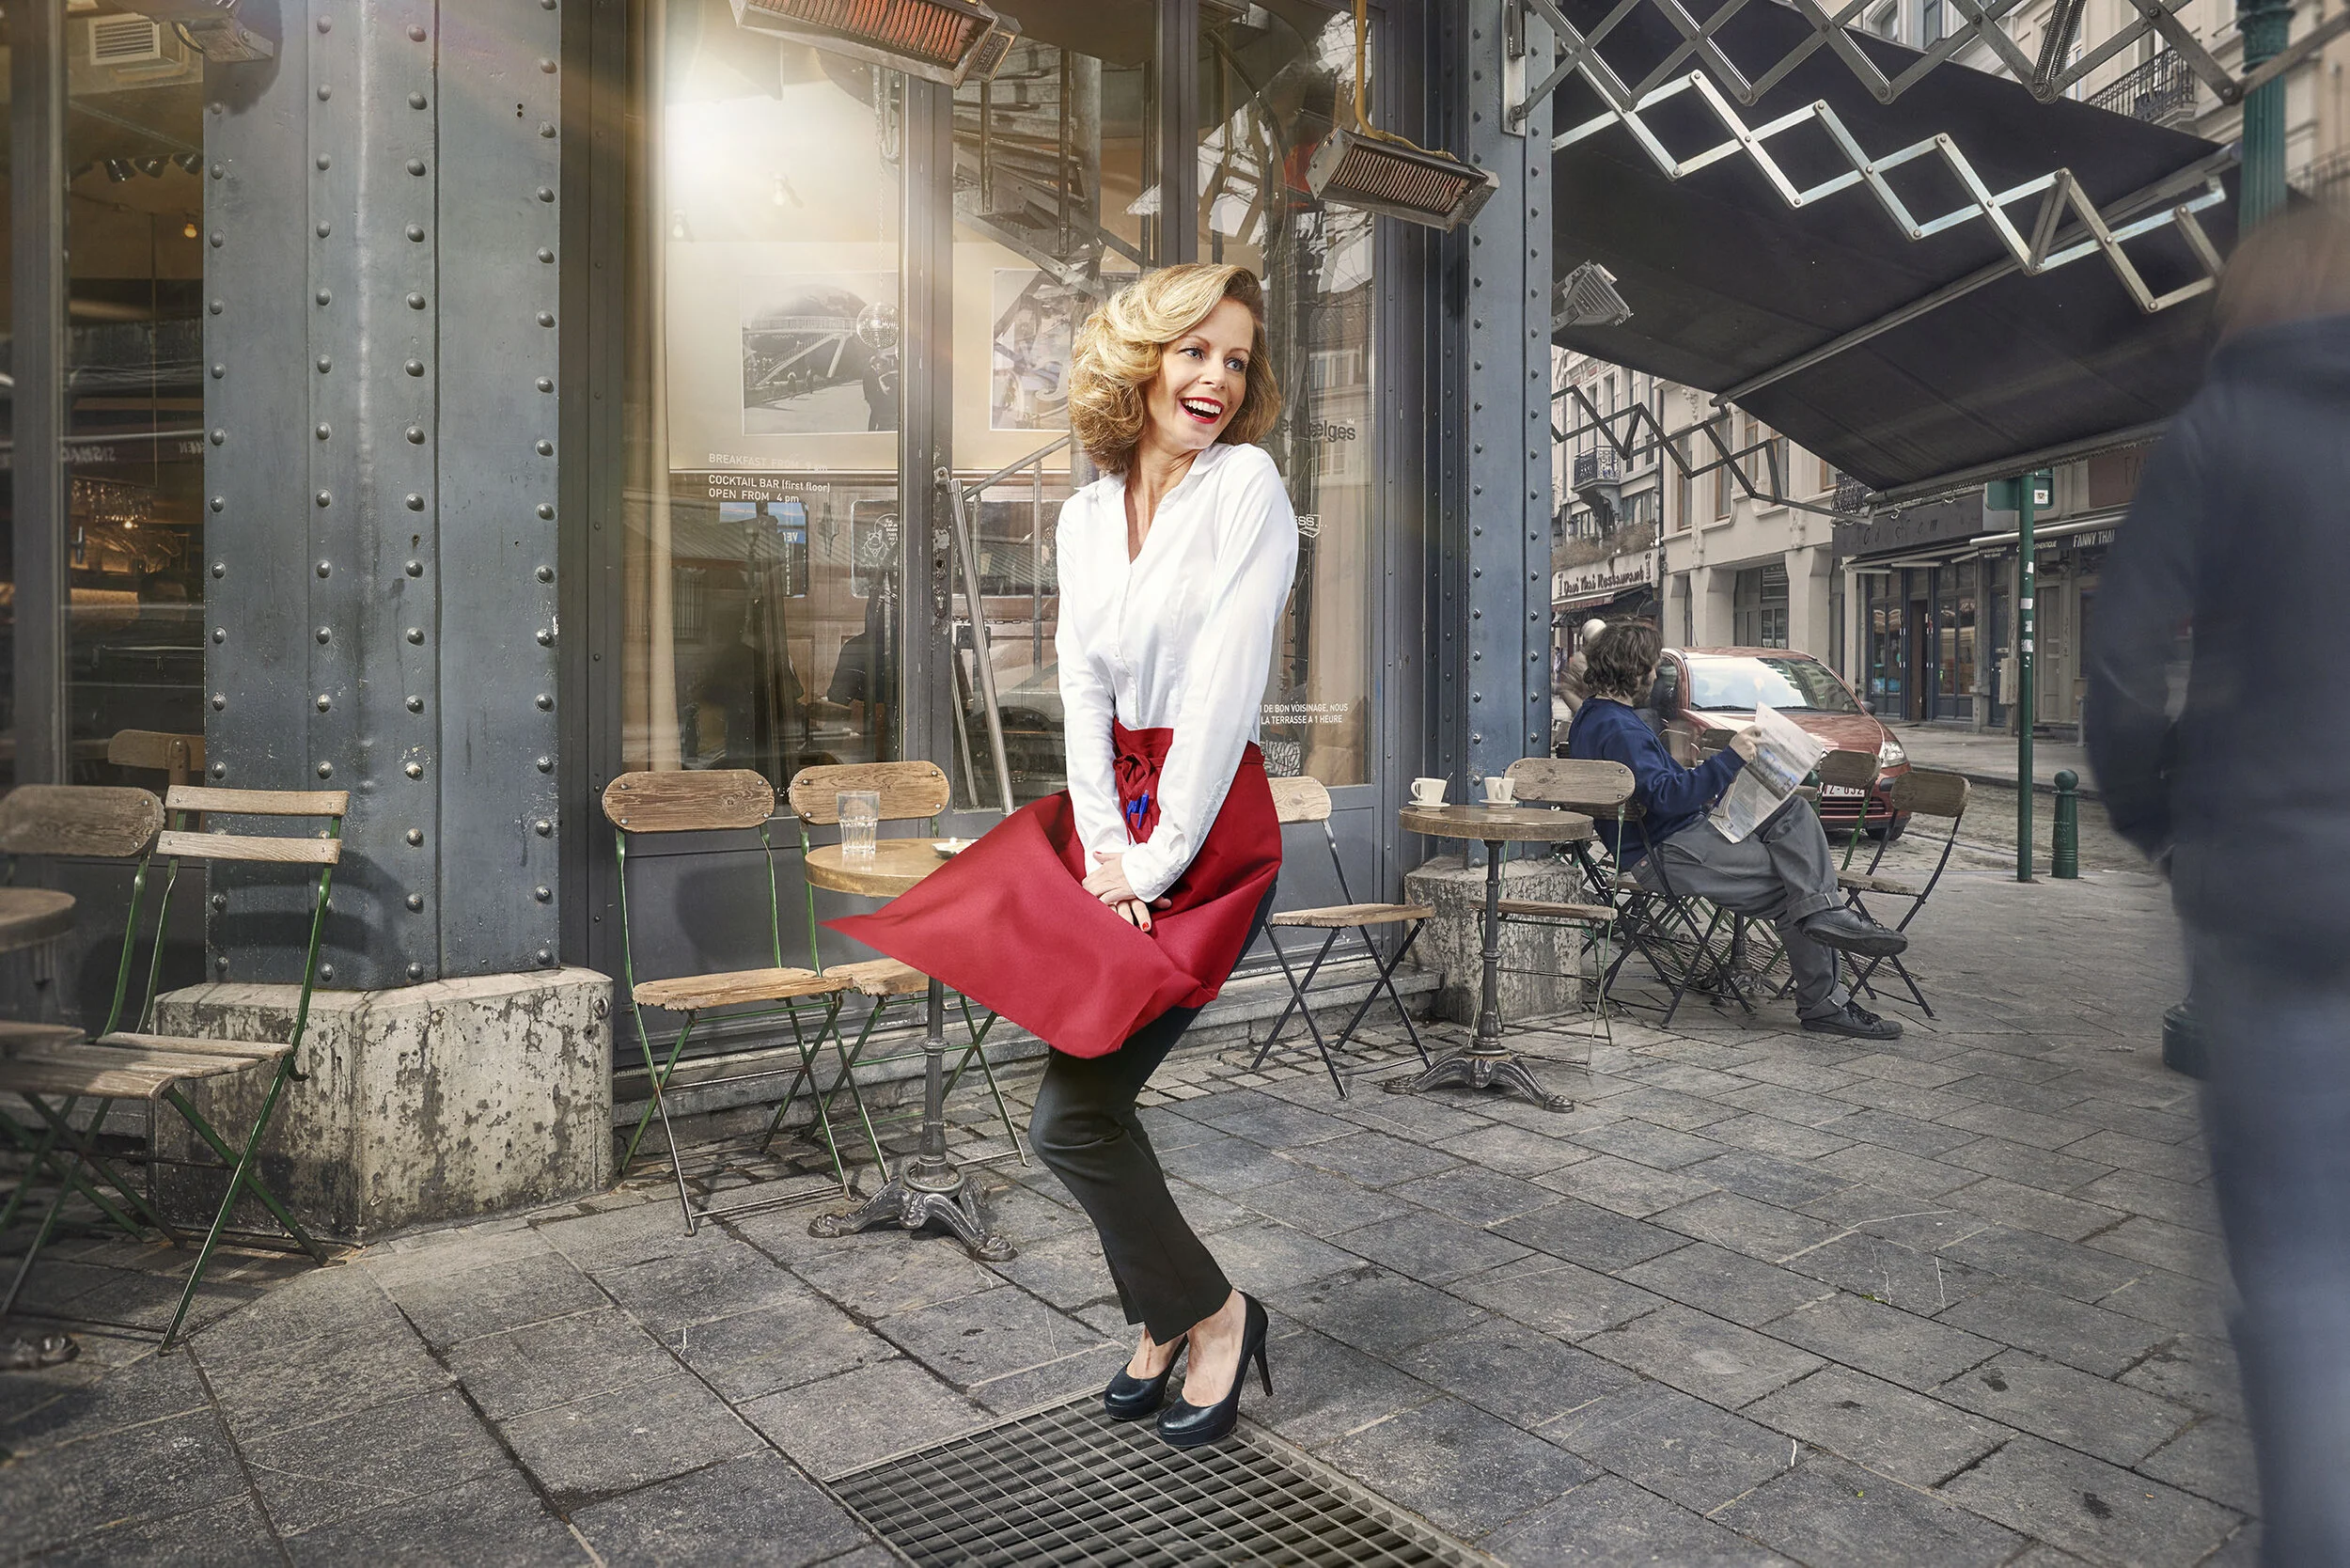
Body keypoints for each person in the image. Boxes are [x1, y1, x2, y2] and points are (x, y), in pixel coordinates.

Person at [829, 263, 1294, 1449]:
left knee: (1069, 1120)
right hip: (1117, 821)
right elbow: (1079, 688)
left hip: (1208, 827)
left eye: (1235, 361)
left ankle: (1216, 1313)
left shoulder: (1246, 485)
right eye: (1194, 352)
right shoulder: (1087, 512)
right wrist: (1097, 852)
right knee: (1084, 1106)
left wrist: (1147, 869)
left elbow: (1221, 693)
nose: (1215, 381)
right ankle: (1163, 1318)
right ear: (1139, 359)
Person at [2085, 203, 2350, 1566]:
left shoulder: (2226, 426)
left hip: (2277, 891)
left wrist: (2164, 819)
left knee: (2304, 1270)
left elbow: (2125, 658)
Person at [1569, 620, 1907, 1039]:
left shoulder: (1594, 716)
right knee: (1794, 891)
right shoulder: (1620, 727)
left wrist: (1710, 778)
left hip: (1677, 836)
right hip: (1665, 850)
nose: (1656, 677)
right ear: (1632, 669)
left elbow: (1655, 784)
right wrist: (1728, 759)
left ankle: (1827, 916)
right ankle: (1824, 1000)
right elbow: (1666, 797)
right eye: (1652, 668)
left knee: (1793, 812)